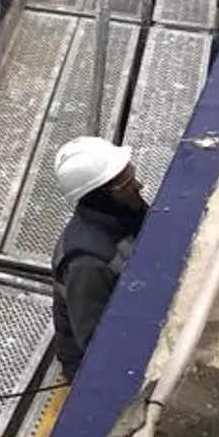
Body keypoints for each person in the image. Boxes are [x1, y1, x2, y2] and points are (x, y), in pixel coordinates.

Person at [49, 136, 148, 376]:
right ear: (99, 196)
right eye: (125, 184)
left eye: (130, 173)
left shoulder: (124, 212)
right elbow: (98, 344)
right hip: (89, 364)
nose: (138, 185)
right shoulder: (88, 262)